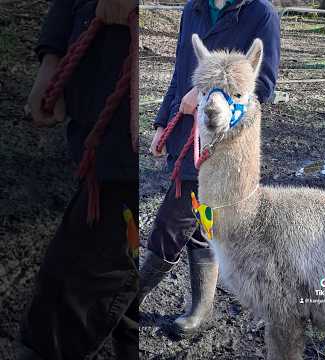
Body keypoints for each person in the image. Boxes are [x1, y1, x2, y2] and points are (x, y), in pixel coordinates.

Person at [140, 0, 280, 338]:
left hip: (223, 144)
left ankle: (126, 298)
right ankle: (202, 309)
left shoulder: (261, 15)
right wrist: (163, 123)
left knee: (171, 223)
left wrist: (204, 95)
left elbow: (264, 87)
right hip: (185, 133)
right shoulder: (194, 9)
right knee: (202, 223)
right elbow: (179, 72)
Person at [17, 0, 139, 359]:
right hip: (98, 108)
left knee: (67, 301)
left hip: (131, 143)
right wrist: (53, 59)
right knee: (124, 297)